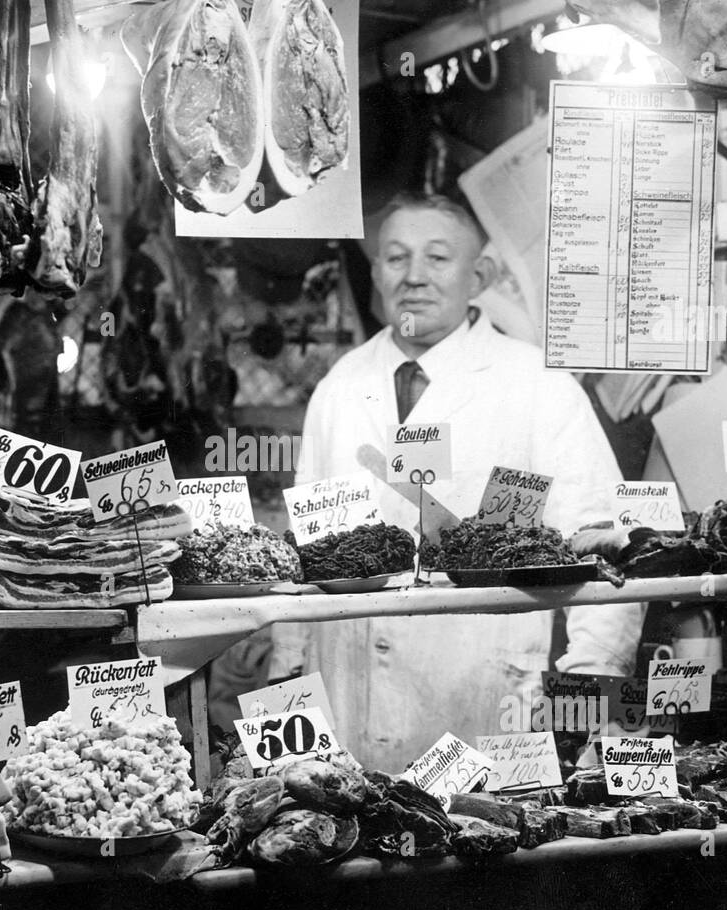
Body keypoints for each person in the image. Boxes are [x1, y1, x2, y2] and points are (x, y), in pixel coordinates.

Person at [271, 192, 642, 773]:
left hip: (485, 706)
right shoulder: (340, 386)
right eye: (396, 258)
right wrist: (286, 686)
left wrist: (590, 696)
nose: (414, 277)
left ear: (480, 275)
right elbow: (306, 554)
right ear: (374, 273)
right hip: (348, 705)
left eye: (438, 258)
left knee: (485, 846)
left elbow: (604, 547)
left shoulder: (539, 384)